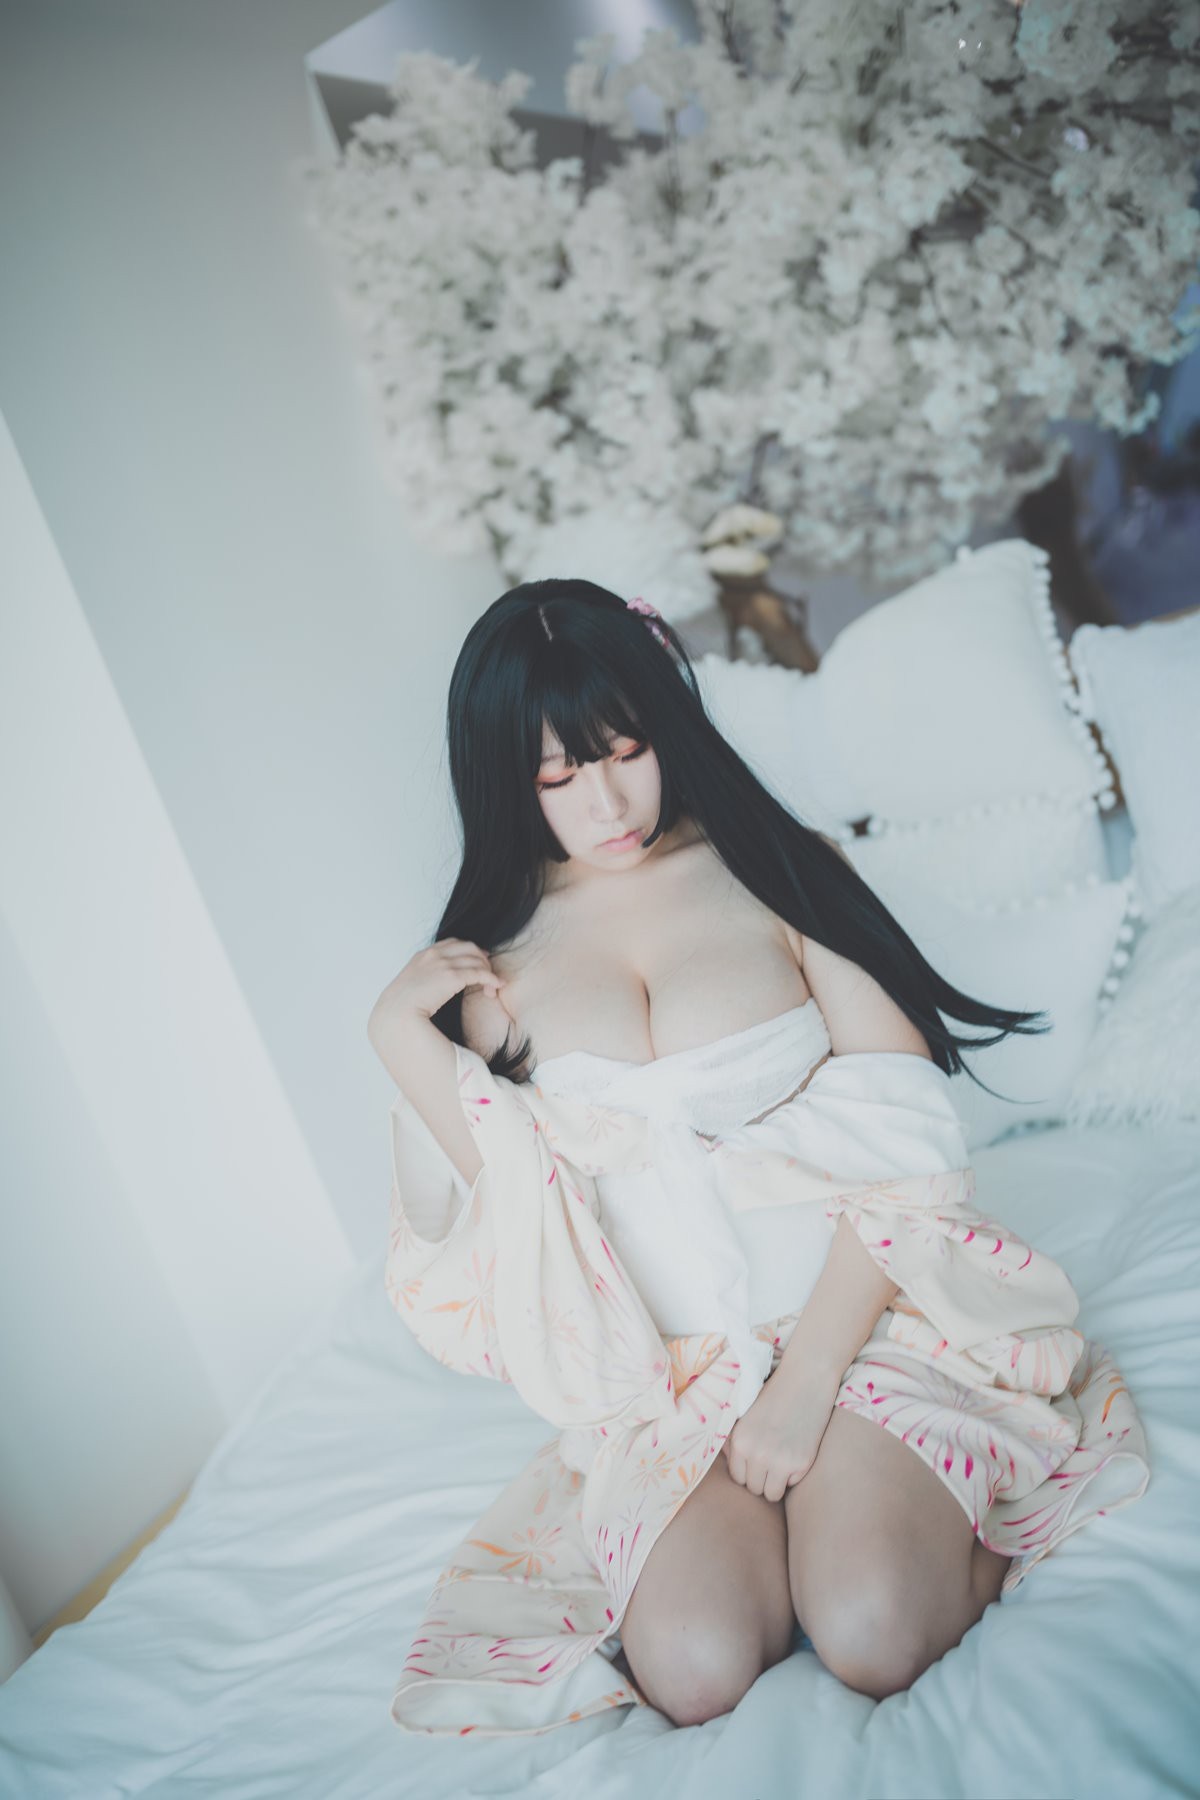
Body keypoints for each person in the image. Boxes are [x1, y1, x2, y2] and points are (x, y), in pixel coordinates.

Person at [370, 579, 1150, 1739]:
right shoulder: (489, 972)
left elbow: (908, 1155)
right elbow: (530, 1244)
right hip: (672, 1382)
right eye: (558, 776)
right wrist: (397, 1036)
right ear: (503, 779)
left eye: (626, 752)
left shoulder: (780, 872)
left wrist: (803, 1386)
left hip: (864, 1319)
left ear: (665, 730)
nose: (607, 802)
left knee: (876, 1630)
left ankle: (948, 1524)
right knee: (694, 1671)